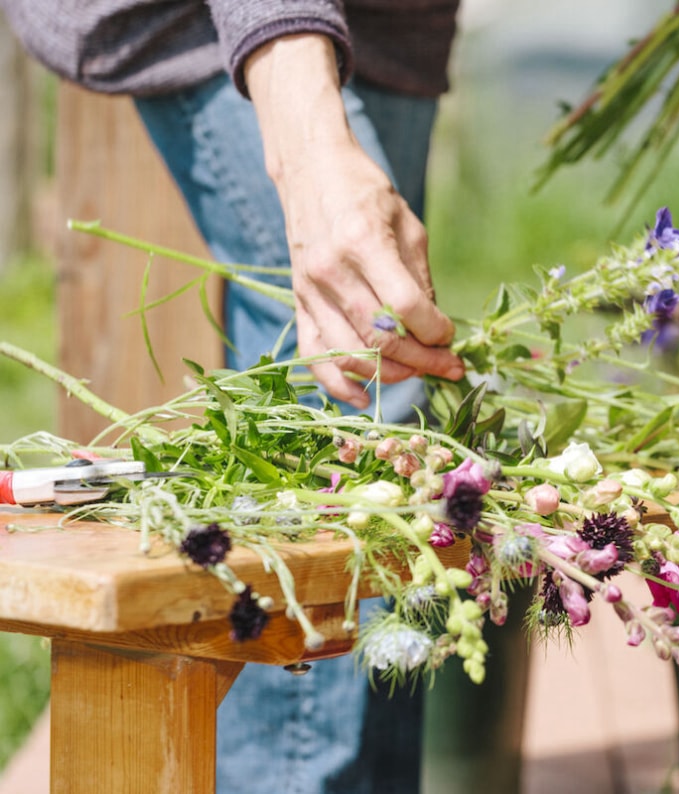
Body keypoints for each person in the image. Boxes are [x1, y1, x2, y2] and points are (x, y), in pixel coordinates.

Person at [1, 3, 530, 792]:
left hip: (388, 27)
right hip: (226, 20)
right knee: (357, 396)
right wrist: (307, 140)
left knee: (391, 423)